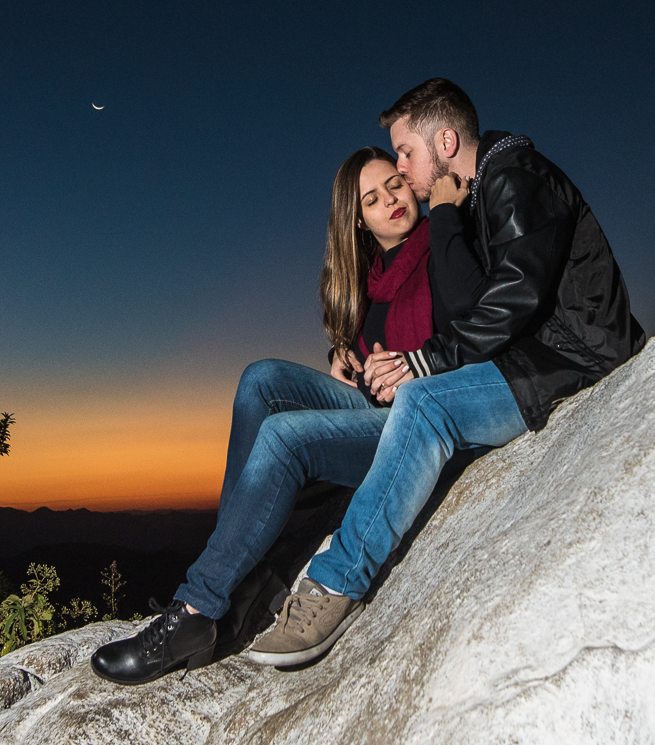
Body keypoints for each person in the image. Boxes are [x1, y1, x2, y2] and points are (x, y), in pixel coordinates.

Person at [242, 77, 645, 667]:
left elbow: (515, 297)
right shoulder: (487, 188)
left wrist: (426, 362)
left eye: (406, 152)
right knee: (375, 398)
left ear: (446, 140)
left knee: (424, 403)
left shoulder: (517, 177)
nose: (402, 167)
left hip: (575, 363)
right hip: (537, 358)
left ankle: (333, 585)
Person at [91, 144, 486, 685]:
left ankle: (197, 609)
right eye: (371, 199)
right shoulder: (373, 277)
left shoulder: (443, 238)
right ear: (360, 220)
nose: (390, 201)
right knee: (261, 379)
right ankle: (236, 574)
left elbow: (475, 322)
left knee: (285, 437)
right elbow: (373, 346)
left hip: (421, 423)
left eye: (394, 184)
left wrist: (444, 220)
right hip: (375, 408)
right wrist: (344, 357)